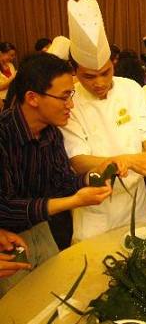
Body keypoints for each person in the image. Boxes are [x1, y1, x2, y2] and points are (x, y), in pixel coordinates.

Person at [60, 0, 146, 241]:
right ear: (75, 70)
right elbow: (78, 161)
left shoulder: (130, 88)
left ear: (114, 63)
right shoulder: (69, 101)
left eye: (105, 73)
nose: (99, 82)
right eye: (89, 76)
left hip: (135, 201)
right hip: (95, 205)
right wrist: (128, 160)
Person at [0, 52, 112, 296]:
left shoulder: (50, 133)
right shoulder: (4, 135)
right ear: (32, 98)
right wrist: (74, 202)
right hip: (6, 242)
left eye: (70, 95)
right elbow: (5, 207)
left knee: (54, 296)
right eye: (64, 97)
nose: (70, 104)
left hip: (40, 229)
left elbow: (61, 182)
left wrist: (92, 176)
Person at [0, 42, 17, 110]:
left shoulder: (10, 65)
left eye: (13, 55)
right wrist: (13, 77)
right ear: (0, 53)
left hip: (12, 97)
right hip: (2, 99)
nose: (12, 58)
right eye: (10, 55)